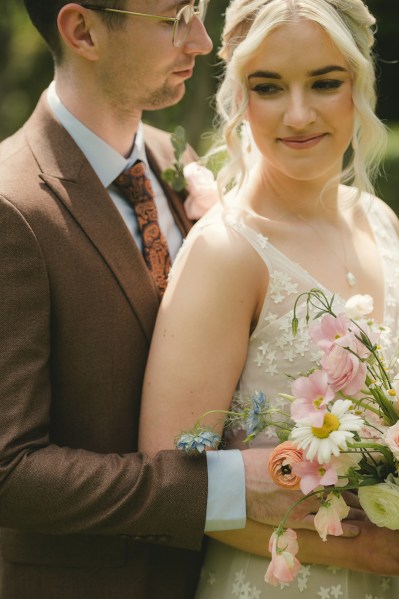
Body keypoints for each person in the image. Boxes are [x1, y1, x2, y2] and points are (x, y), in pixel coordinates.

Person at [0, 1, 292, 598]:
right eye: (175, 17)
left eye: (200, 10)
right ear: (83, 31)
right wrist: (226, 489)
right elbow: (11, 474)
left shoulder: (174, 161)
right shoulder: (12, 212)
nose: (202, 42)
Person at [139, 0, 399, 597]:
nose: (299, 114)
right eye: (270, 87)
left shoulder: (380, 221)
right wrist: (374, 551)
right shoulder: (227, 252)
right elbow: (170, 486)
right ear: (241, 95)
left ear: (359, 81)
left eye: (325, 83)